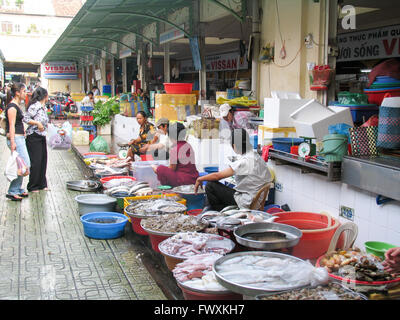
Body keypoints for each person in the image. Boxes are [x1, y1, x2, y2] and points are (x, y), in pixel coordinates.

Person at [195, 128, 272, 211]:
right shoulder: (255, 155)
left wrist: (200, 179)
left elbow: (217, 176)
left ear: (234, 145)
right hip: (255, 198)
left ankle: (221, 214)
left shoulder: (245, 161)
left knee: (210, 186)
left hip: (247, 202)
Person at [4, 83, 32, 201]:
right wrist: (13, 142)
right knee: (24, 164)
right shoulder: (12, 107)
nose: (25, 93)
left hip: (20, 138)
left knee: (22, 164)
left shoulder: (16, 105)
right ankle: (13, 190)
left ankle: (17, 189)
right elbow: (11, 125)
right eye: (24, 91)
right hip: (16, 138)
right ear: (17, 93)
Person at [153, 122, 199, 187]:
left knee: (160, 169)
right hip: (194, 178)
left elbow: (172, 169)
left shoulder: (175, 149)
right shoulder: (188, 145)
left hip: (184, 180)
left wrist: (156, 169)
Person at [24, 87, 50, 193]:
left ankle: (42, 184)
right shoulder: (35, 106)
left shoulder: (43, 107)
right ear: (45, 96)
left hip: (41, 136)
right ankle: (33, 186)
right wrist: (37, 123)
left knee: (43, 160)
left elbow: (44, 121)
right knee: (36, 161)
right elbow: (25, 118)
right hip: (33, 137)